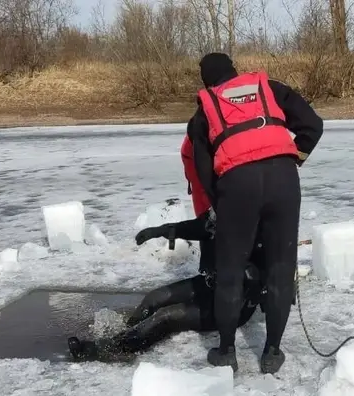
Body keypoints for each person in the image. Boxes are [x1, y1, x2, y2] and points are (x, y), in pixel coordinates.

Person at [67, 136, 269, 362]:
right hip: (211, 283)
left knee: (167, 316)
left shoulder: (256, 214)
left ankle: (110, 349)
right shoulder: (223, 203)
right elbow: (202, 227)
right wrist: (162, 230)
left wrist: (253, 278)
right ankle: (126, 333)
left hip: (233, 304)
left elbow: (269, 264)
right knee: (154, 298)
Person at [186, 52, 323, 374]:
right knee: (280, 266)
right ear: (234, 71)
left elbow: (204, 173)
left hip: (237, 183)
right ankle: (272, 352)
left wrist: (229, 206)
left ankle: (226, 351)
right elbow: (313, 125)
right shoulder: (269, 89)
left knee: (230, 271)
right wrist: (294, 159)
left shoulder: (204, 110)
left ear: (207, 81)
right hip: (283, 179)